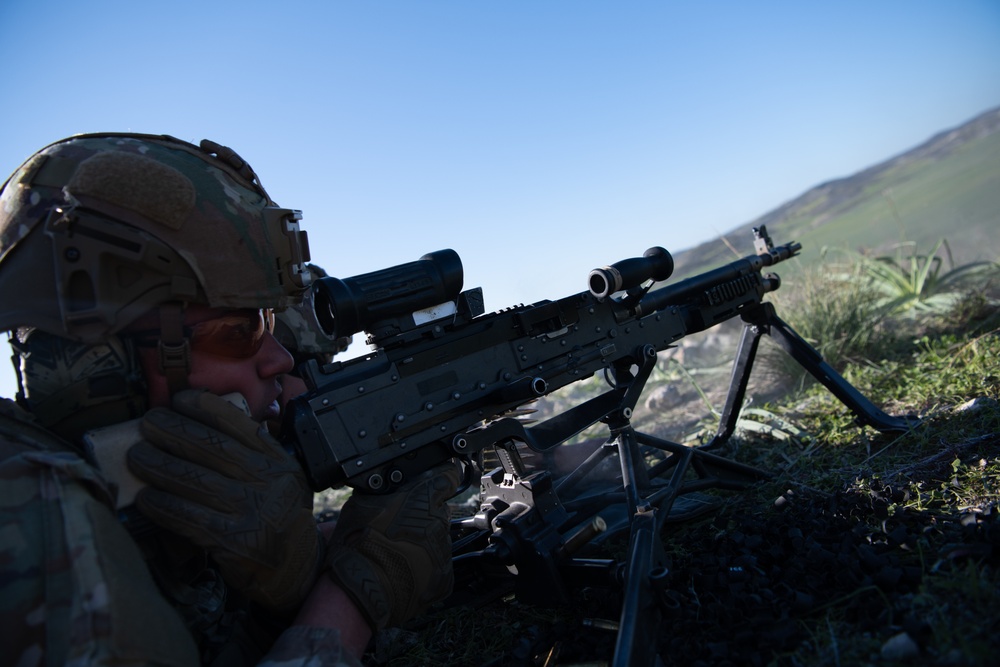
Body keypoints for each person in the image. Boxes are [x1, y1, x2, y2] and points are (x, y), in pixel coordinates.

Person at [0, 133, 459, 666]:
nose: (279, 362)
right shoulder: (31, 514)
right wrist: (353, 598)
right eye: (237, 332)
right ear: (100, 362)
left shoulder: (120, 496)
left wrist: (298, 564)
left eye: (269, 324)